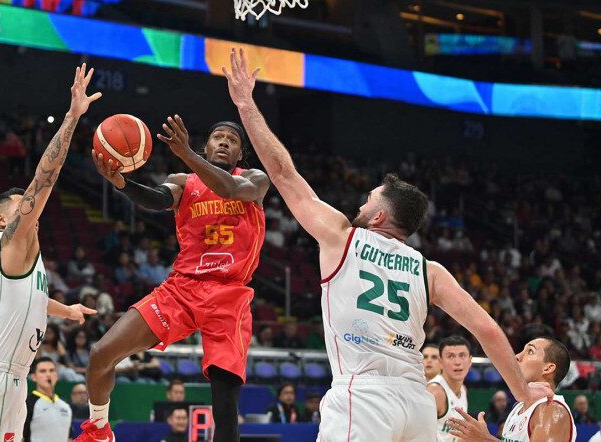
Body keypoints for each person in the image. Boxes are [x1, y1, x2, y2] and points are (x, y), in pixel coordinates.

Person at [222, 47, 551, 442]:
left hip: (363, 396)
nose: (361, 203)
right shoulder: (430, 271)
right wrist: (523, 393)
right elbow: (488, 329)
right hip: (416, 405)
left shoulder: (341, 236)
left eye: (369, 199)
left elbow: (282, 173)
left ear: (379, 217)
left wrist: (245, 104)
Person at [75, 112, 270, 442]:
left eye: (232, 140)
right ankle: (98, 430)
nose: (224, 142)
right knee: (100, 354)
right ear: (207, 145)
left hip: (228, 294)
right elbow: (156, 199)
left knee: (224, 406)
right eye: (218, 137)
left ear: (240, 154)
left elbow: (229, 188)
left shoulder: (255, 178)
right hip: (181, 288)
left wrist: (187, 154)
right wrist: (121, 183)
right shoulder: (183, 181)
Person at [0, 64, 99, 442]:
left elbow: (31, 298)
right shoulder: (12, 240)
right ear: (3, 219)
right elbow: (44, 178)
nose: (30, 209)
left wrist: (66, 310)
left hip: (13, 377)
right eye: (22, 206)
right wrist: (71, 118)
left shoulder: (17, 258)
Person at [448, 337, 576, 442]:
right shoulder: (519, 407)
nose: (517, 356)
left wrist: (485, 439)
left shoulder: (553, 410)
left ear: (548, 368)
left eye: (530, 351)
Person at [427, 336, 472, 441]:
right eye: (450, 356)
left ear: (470, 361)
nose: (457, 362)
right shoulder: (435, 392)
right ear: (441, 362)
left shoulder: (463, 390)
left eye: (462, 356)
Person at [24, 357, 73, 442]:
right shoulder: (27, 404)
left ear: (56, 376)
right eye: (43, 371)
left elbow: (69, 438)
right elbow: (21, 437)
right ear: (33, 377)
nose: (48, 375)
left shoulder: (65, 406)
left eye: (51, 370)